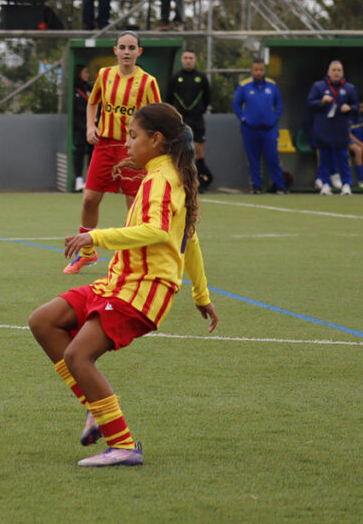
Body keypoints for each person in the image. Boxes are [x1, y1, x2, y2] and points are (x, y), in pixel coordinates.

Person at [28, 102, 217, 467]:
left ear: (156, 140)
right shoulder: (164, 173)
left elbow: (158, 231)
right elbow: (188, 239)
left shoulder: (162, 181)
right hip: (120, 283)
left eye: (133, 136)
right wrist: (201, 295)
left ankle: (124, 445)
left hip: (144, 291)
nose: (127, 144)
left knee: (77, 355)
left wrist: (94, 237)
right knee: (43, 321)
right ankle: (96, 409)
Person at [65, 30, 161, 275]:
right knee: (89, 199)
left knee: (133, 205)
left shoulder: (148, 82)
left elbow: (157, 115)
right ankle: (87, 254)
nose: (126, 52)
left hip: (133, 148)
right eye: (122, 47)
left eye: (131, 48)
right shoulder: (104, 75)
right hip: (105, 144)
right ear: (115, 50)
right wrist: (90, 125)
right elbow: (92, 102)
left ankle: (134, 259)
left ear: (139, 52)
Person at [232, 60, 287, 194]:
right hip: (250, 129)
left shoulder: (272, 85)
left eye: (261, 70)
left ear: (264, 70)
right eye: (256, 70)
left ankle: (279, 185)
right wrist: (245, 119)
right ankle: (256, 186)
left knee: (273, 157)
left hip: (269, 129)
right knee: (253, 159)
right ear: (252, 70)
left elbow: (279, 105)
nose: (259, 72)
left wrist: (273, 119)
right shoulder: (244, 85)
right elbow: (236, 105)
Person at [307, 60, 359, 195]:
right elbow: (310, 103)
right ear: (328, 72)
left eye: (339, 70)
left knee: (343, 157)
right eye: (334, 70)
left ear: (342, 72)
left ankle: (347, 184)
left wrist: (350, 107)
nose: (336, 73)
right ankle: (325, 184)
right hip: (323, 128)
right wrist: (321, 101)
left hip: (341, 128)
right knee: (324, 157)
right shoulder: (318, 87)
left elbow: (356, 106)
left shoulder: (349, 88)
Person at [164, 50, 213, 192]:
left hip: (197, 119)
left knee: (198, 150)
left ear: (195, 59)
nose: (188, 60)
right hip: (180, 121)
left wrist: (200, 109)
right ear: (181, 59)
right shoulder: (175, 78)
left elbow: (208, 98)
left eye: (191, 58)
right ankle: (179, 181)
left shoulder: (201, 78)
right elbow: (168, 98)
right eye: (185, 58)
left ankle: (201, 182)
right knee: (179, 151)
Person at [72, 65, 95, 192]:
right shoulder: (75, 90)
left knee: (93, 153)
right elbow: (75, 111)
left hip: (93, 128)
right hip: (80, 128)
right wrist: (82, 126)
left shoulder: (90, 89)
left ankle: (90, 181)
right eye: (85, 72)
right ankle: (78, 180)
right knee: (79, 152)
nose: (87, 74)